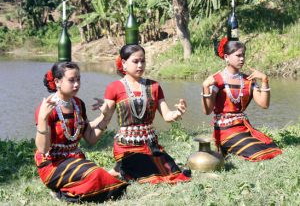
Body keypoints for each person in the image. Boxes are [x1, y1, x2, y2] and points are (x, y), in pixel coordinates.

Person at [93, 44, 191, 184]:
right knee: (152, 176)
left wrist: (178, 112)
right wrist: (103, 109)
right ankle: (119, 169)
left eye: (143, 61)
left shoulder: (154, 86)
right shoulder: (114, 87)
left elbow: (167, 116)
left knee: (172, 172)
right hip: (126, 146)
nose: (140, 65)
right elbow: (107, 113)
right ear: (124, 63)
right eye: (135, 61)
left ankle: (120, 169)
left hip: (151, 145)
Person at [35, 61, 128, 203]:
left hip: (76, 161)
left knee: (99, 176)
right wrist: (42, 119)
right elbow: (43, 149)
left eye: (78, 79)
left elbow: (91, 139)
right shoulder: (48, 108)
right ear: (57, 82)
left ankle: (67, 191)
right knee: (96, 174)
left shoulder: (78, 104)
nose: (77, 84)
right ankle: (64, 194)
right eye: (71, 80)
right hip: (52, 166)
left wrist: (106, 116)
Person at [201, 38, 282, 161]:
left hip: (243, 127)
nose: (242, 59)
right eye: (238, 55)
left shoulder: (247, 80)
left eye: (243, 55)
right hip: (224, 131)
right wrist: (205, 87)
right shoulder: (216, 80)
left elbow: (264, 104)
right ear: (226, 57)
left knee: (272, 148)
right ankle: (225, 147)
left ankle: (230, 150)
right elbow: (207, 111)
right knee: (257, 153)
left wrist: (265, 80)